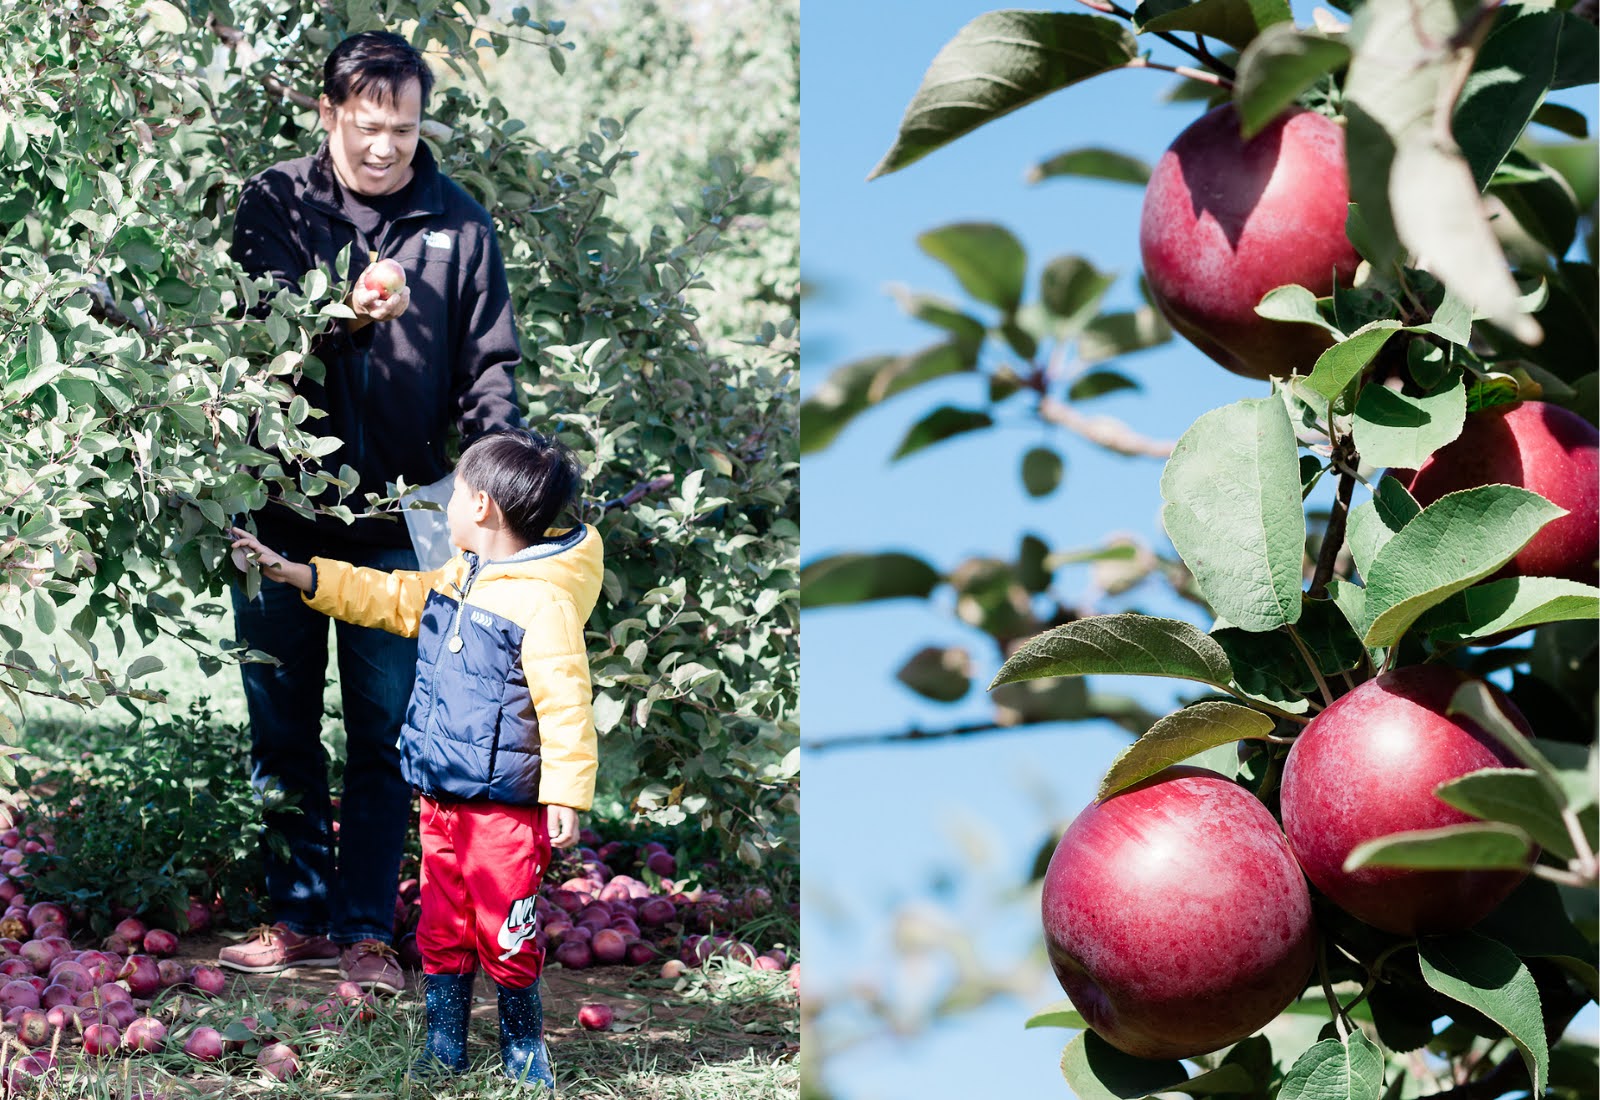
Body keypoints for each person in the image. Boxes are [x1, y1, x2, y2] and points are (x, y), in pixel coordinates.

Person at [222, 29, 524, 995]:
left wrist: (499, 494)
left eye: (402, 126)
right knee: (280, 725)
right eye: (366, 126)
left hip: (402, 528)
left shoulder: (460, 227)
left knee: (387, 731)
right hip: (277, 513)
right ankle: (297, 913)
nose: (386, 146)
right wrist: (345, 314)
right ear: (328, 115)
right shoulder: (277, 202)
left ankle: (362, 929)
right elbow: (251, 330)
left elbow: (491, 375)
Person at [229, 429, 601, 1090]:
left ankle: (523, 1045)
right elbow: (391, 597)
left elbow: (567, 701)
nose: (443, 506)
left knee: (506, 932)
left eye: (453, 493)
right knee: (443, 925)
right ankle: (445, 1042)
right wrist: (302, 575)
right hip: (441, 799)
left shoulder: (543, 602)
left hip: (505, 812)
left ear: (482, 507)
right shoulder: (458, 577)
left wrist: (566, 793)